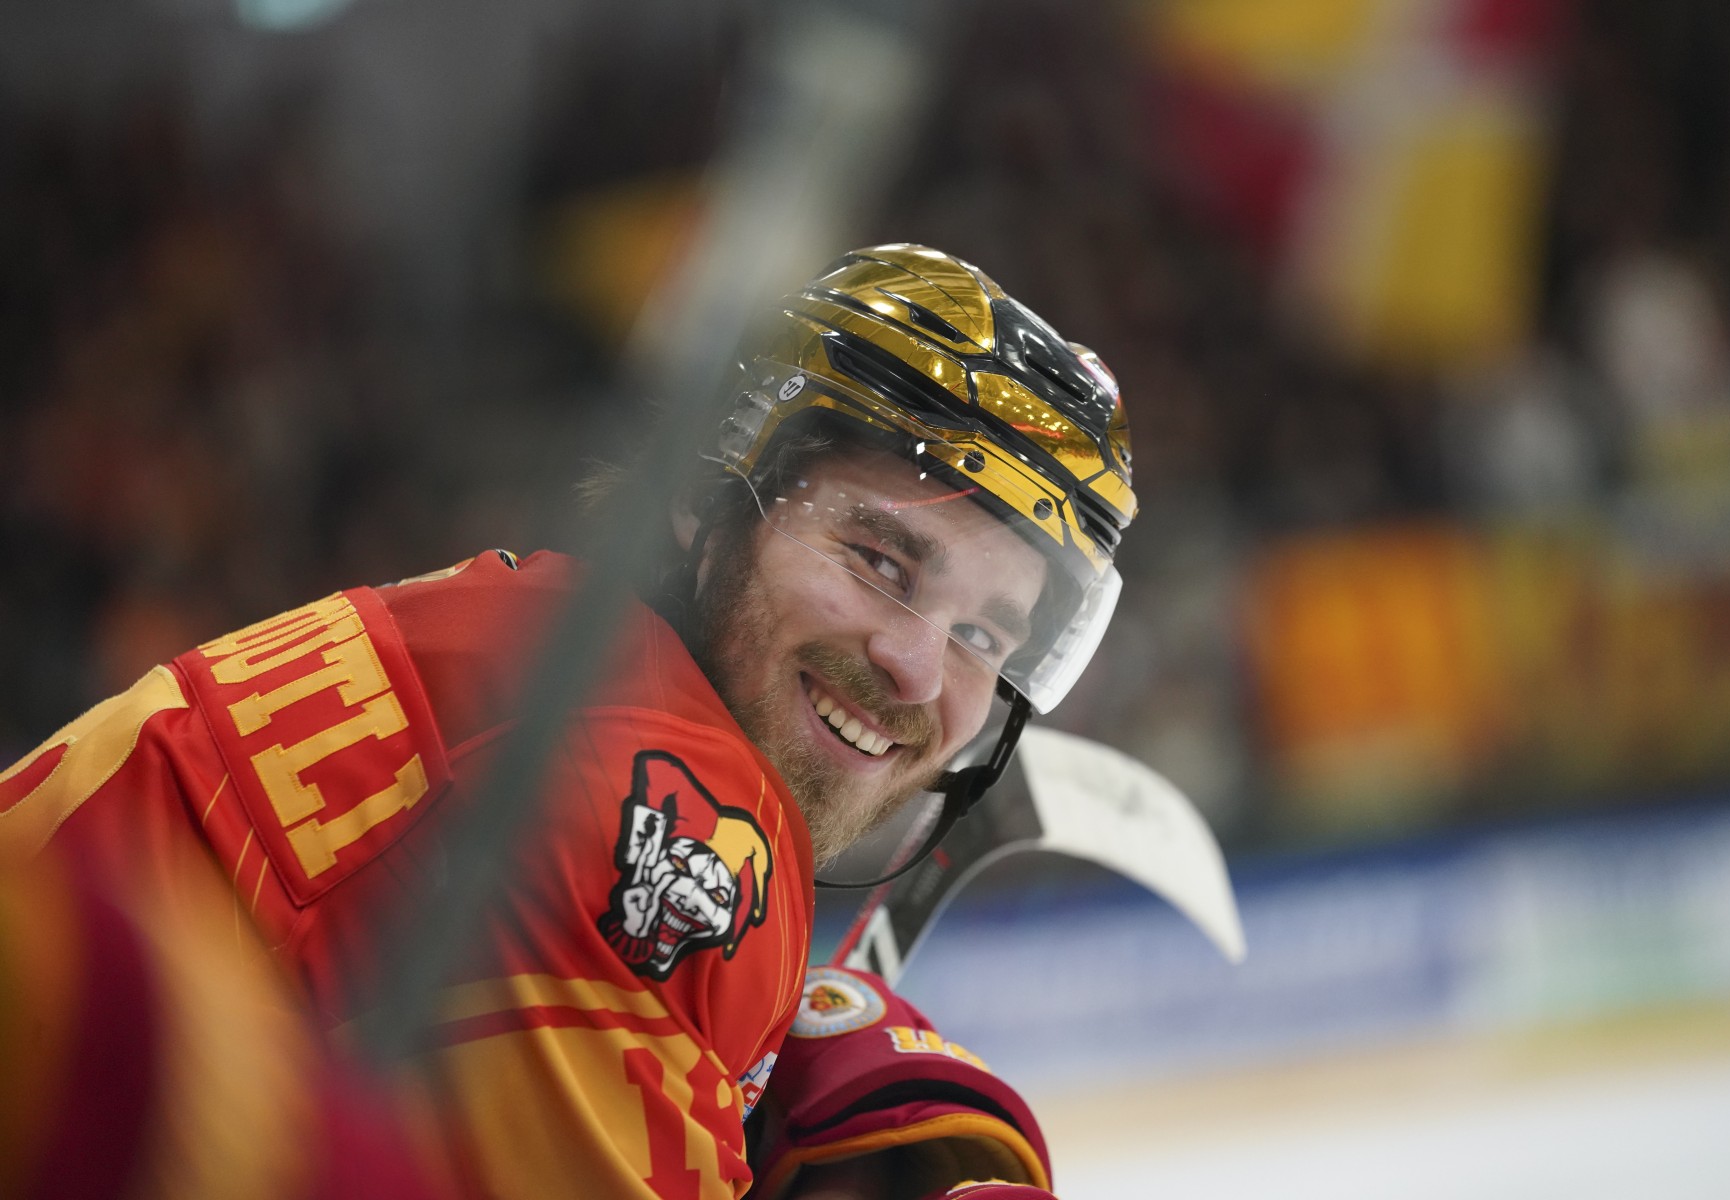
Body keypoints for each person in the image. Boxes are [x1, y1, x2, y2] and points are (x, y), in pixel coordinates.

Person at [0, 244, 1136, 1199]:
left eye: (983, 636)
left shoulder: (532, 647)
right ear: (706, 499)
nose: (916, 667)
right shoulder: (662, 808)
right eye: (879, 560)